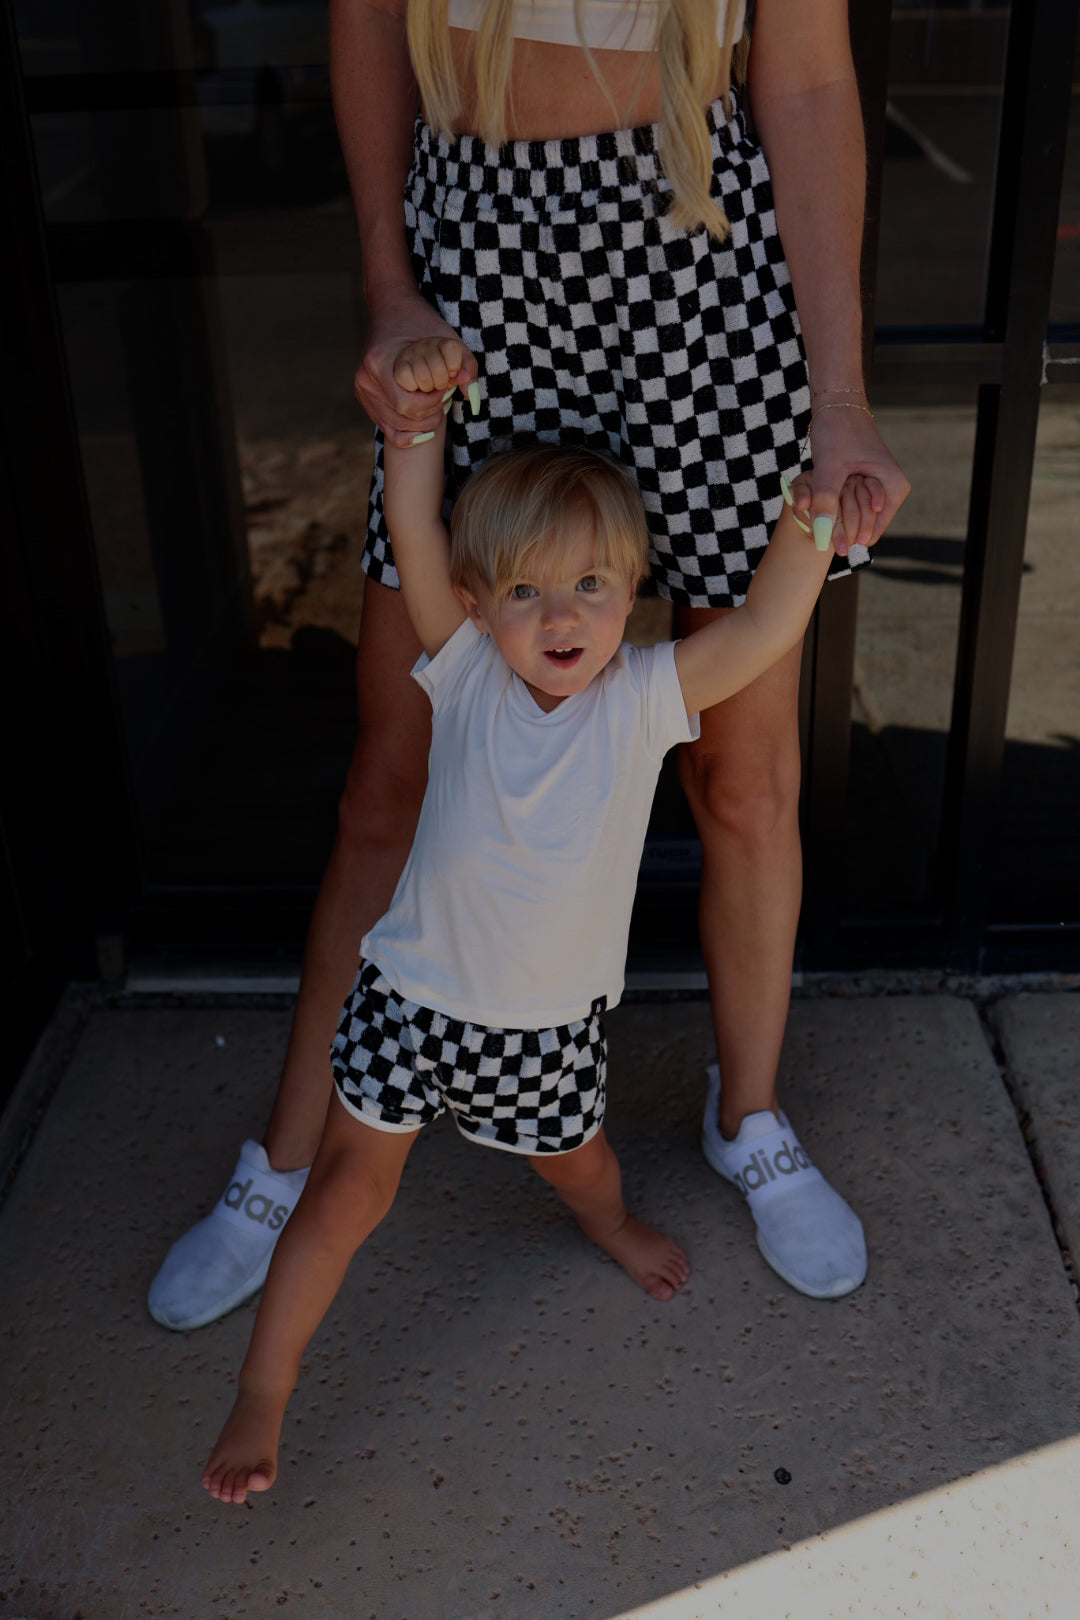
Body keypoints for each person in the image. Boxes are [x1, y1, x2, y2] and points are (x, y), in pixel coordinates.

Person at [148, 0, 909, 1333]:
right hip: (481, 256)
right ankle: (287, 1162)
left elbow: (804, 77)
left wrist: (838, 388)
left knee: (743, 775)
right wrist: (389, 283)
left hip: (704, 255)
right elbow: (369, 22)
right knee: (392, 779)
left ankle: (752, 1118)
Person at [202, 370, 862, 1504]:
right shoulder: (460, 674)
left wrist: (811, 524)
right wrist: (414, 430)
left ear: (634, 588)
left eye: (592, 585)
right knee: (346, 1196)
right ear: (474, 601)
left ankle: (611, 1227)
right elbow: (412, 522)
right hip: (407, 1005)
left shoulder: (644, 700)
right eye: (526, 592)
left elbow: (759, 627)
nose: (563, 617)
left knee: (582, 1167)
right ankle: (263, 1390)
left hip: (547, 1036)